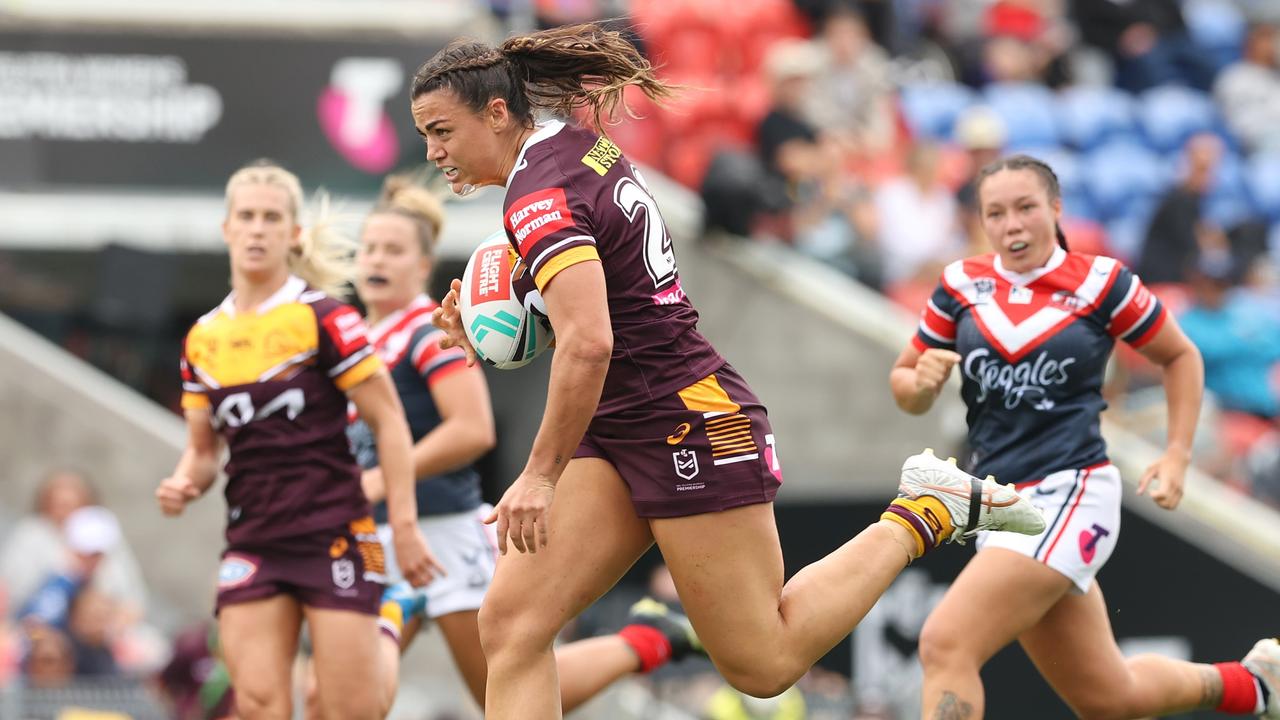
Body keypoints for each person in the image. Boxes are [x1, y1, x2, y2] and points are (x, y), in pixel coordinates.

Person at [415, 23, 1045, 719]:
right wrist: (495, 318)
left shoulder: (537, 195)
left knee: (762, 663)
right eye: (425, 135)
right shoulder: (565, 149)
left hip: (683, 419)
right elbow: (602, 290)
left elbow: (590, 341)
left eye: (441, 130)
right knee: (512, 624)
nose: (433, 151)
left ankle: (926, 508)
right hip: (625, 416)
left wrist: (537, 474)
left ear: (497, 112)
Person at [890, 153, 1280, 719]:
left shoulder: (1102, 282)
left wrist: (1176, 454)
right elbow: (905, 382)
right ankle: (1255, 686)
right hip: (996, 507)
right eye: (995, 213)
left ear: (1055, 208)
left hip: (1068, 493)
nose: (1012, 224)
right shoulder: (960, 284)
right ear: (981, 220)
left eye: (1026, 207)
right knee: (1108, 698)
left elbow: (1180, 356)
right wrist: (920, 384)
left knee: (945, 643)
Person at [154, 160, 442, 720]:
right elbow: (204, 450)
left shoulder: (325, 318)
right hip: (255, 540)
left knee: (352, 708)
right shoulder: (202, 339)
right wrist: (185, 480)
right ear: (227, 229)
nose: (257, 229)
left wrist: (403, 527)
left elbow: (389, 423)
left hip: (334, 530)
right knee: (260, 703)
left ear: (294, 234)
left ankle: (391, 618)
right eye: (247, 217)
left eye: (271, 218)